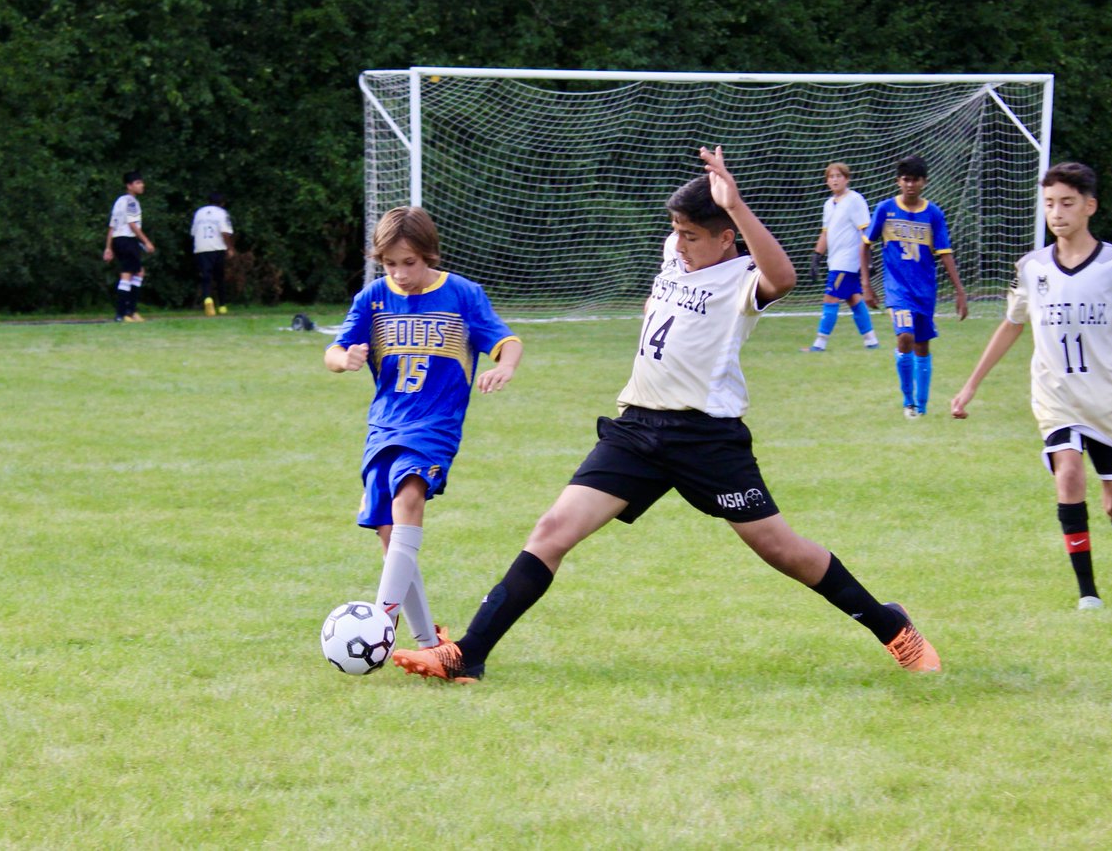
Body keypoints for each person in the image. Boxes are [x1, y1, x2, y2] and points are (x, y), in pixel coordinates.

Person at [391, 146, 941, 683]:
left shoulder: (743, 277)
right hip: (637, 428)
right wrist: (694, 218)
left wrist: (737, 204)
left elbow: (786, 277)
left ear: (727, 237)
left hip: (706, 437)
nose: (679, 243)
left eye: (692, 235)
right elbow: (683, 235)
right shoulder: (676, 250)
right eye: (675, 231)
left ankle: (893, 627)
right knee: (553, 530)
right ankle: (468, 654)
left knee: (783, 551)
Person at [950, 162, 1112, 610]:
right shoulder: (1030, 267)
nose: (1057, 212)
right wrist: (971, 385)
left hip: (1108, 400)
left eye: (1067, 203)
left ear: (1089, 206)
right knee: (1068, 475)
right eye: (1049, 203)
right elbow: (1011, 325)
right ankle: (1088, 593)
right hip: (1055, 398)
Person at [324, 206, 523, 652]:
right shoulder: (373, 298)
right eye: (390, 264)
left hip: (435, 425)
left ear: (429, 255)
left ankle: (377, 629)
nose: (400, 273)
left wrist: (505, 366)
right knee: (390, 533)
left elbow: (507, 341)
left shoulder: (462, 294)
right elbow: (333, 351)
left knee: (409, 495)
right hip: (384, 424)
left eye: (408, 263)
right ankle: (428, 642)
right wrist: (345, 360)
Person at [863, 155, 968, 417]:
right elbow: (865, 245)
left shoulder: (933, 214)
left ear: (924, 182)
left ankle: (921, 406)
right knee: (905, 336)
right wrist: (866, 283)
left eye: (915, 180)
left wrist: (960, 291)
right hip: (898, 290)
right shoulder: (885, 210)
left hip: (925, 290)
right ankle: (907, 402)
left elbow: (945, 253)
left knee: (922, 345)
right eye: (905, 179)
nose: (910, 184)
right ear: (899, 181)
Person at [803, 162, 879, 352]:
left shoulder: (855, 200)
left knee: (830, 297)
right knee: (854, 299)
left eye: (839, 176)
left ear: (847, 179)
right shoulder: (828, 205)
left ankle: (819, 344)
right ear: (827, 181)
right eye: (831, 177)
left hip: (848, 260)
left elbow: (865, 229)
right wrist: (816, 257)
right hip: (835, 260)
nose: (835, 180)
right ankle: (871, 341)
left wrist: (870, 258)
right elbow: (825, 233)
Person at [103, 171, 154, 323]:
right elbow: (132, 224)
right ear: (129, 186)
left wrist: (108, 247)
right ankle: (125, 313)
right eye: (138, 183)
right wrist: (146, 241)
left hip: (118, 240)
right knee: (128, 274)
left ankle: (128, 312)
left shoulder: (119, 201)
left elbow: (112, 227)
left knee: (138, 272)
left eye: (141, 182)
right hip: (127, 240)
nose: (141, 185)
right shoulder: (132, 202)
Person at [190, 192, 236, 316]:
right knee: (219, 277)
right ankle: (222, 305)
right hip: (217, 247)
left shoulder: (199, 212)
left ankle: (207, 299)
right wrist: (230, 248)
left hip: (201, 247)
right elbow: (225, 232)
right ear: (222, 203)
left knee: (206, 276)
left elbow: (194, 232)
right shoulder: (222, 213)